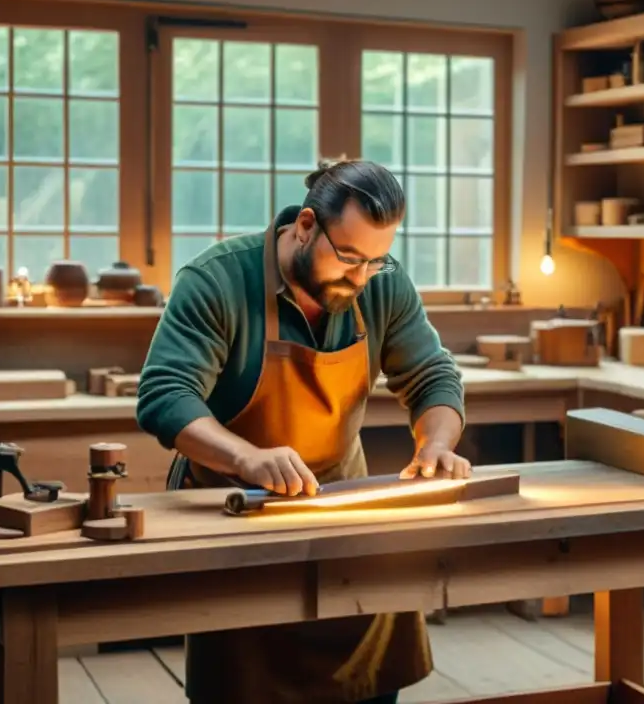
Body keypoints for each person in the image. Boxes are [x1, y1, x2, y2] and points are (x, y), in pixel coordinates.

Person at [136, 158, 470, 704]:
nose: (360, 277)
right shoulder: (218, 279)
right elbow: (165, 396)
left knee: (368, 682)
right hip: (236, 512)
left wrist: (436, 444)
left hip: (342, 510)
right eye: (348, 258)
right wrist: (247, 458)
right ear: (306, 225)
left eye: (375, 262)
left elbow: (433, 374)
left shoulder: (380, 282)